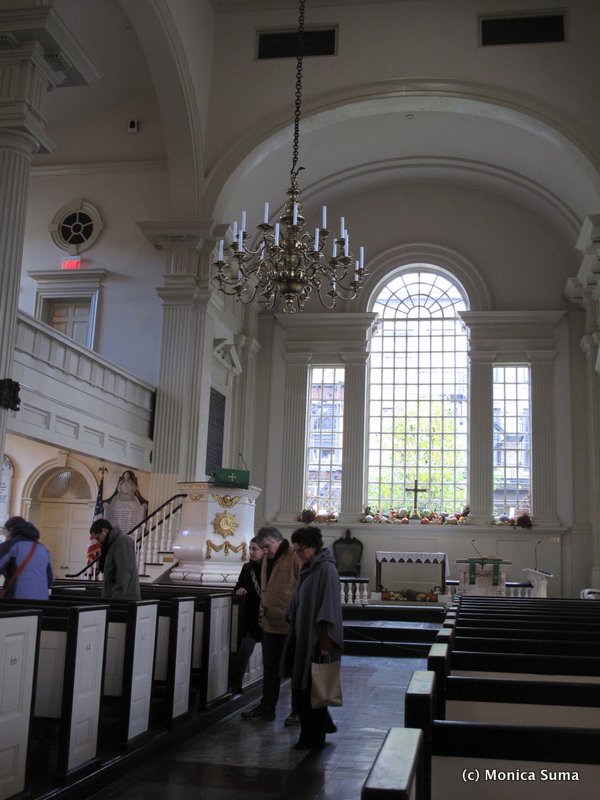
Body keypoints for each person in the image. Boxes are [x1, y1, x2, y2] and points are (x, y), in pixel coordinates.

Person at [286, 525, 343, 750]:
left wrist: (325, 640)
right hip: (302, 636)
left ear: (312, 547)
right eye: (295, 550)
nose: (297, 554)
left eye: (300, 550)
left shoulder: (326, 569)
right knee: (303, 688)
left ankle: (313, 737)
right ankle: (315, 730)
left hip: (317, 640)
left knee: (313, 689)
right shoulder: (309, 566)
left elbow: (329, 605)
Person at [241, 525, 300, 723]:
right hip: (269, 623)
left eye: (266, 546)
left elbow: (301, 586)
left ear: (278, 540)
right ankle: (267, 708)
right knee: (270, 669)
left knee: (294, 670)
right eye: (262, 548)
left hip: (289, 624)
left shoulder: (294, 557)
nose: (264, 551)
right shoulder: (267, 557)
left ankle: (297, 711)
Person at [229, 537, 263, 695]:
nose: (251, 552)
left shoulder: (271, 568)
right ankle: (235, 684)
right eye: (250, 548)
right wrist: (240, 589)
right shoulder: (247, 568)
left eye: (255, 549)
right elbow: (239, 585)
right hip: (252, 617)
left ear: (263, 550)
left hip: (268, 618)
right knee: (244, 652)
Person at [0, 516, 53, 600]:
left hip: (16, 600)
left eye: (5, 532)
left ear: (10, 530)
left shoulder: (10, 545)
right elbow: (50, 580)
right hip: (42, 601)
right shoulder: (43, 549)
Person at [89, 518, 141, 600]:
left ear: (104, 530)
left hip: (123, 600)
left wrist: (115, 600)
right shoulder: (112, 544)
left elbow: (124, 573)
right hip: (116, 598)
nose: (98, 542)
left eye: (98, 538)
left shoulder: (122, 540)